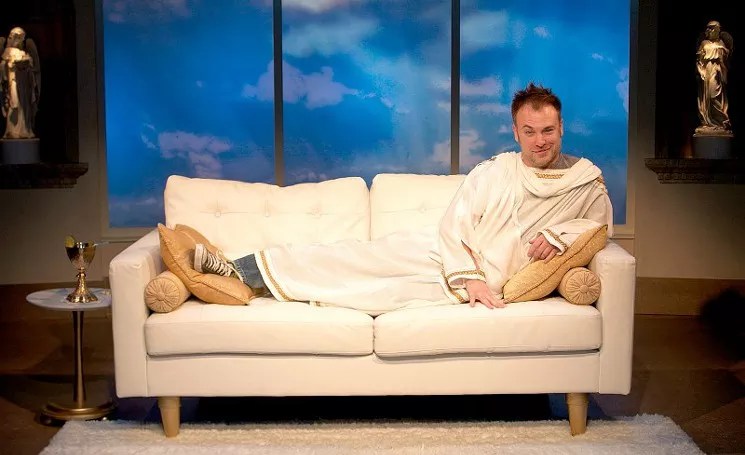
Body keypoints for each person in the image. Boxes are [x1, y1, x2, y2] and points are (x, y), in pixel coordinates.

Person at [193, 83, 613, 315]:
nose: (539, 141)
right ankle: (235, 267)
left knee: (373, 290)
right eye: (529, 131)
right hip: (450, 258)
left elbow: (598, 227)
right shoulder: (497, 170)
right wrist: (470, 277)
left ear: (561, 128)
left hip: (481, 272)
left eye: (548, 131)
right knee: (351, 257)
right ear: (515, 131)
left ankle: (238, 275)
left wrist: (559, 234)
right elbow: (455, 224)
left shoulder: (584, 181)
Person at [0, 27, 41, 139]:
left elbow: (33, 69)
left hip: (24, 83)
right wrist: (10, 65)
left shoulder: (24, 53)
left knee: (25, 105)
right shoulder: (7, 51)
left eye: (20, 38)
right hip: (13, 81)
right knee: (14, 104)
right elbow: (3, 68)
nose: (17, 40)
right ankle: (12, 130)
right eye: (15, 37)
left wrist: (26, 64)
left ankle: (25, 129)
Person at [695, 20, 733, 135]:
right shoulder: (704, 43)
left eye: (713, 29)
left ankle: (722, 121)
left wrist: (722, 52)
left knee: (714, 95)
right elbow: (699, 60)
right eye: (709, 29)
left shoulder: (721, 43)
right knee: (707, 97)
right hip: (707, 71)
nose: (709, 31)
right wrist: (701, 71)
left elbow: (726, 56)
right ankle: (709, 122)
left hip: (717, 71)